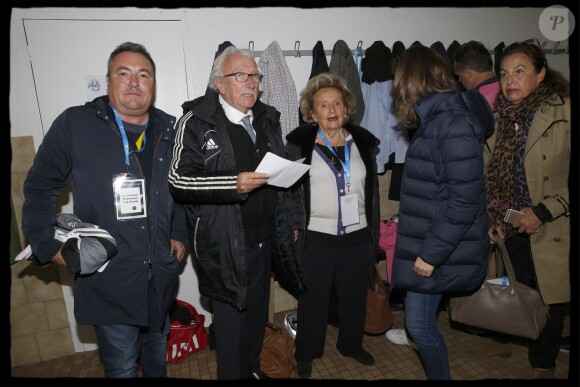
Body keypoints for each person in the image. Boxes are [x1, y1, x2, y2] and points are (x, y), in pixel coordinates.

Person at [21, 42, 188, 378]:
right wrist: (46, 246)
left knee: (157, 357)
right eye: (123, 73)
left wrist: (179, 233)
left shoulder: (171, 129)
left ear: (153, 83)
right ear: (108, 81)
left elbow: (179, 188)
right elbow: (40, 186)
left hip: (159, 276)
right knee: (122, 366)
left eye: (144, 74)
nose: (134, 82)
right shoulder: (75, 124)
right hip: (109, 274)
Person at [167, 46, 304, 380]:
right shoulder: (196, 122)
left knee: (257, 317)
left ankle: (254, 369)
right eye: (240, 75)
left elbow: (282, 175)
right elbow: (178, 180)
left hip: (264, 242)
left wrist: (293, 221)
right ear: (219, 83)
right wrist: (233, 183)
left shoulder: (267, 118)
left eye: (255, 75)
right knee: (230, 328)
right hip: (223, 246)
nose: (251, 82)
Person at [390, 45, 494, 380]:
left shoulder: (452, 123)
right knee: (419, 324)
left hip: (438, 246)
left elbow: (464, 200)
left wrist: (431, 254)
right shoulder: (439, 118)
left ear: (412, 81)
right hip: (434, 239)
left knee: (419, 326)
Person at [285, 73, 380, 379]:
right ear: (312, 113)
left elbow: (372, 192)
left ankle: (351, 345)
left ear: (347, 107)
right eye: (323, 104)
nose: (331, 109)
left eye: (337, 102)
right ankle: (307, 352)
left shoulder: (362, 143)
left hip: (358, 234)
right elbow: (289, 193)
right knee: (313, 299)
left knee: (354, 295)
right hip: (317, 237)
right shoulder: (299, 146)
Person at [484, 41, 570, 379]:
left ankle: (544, 363)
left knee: (550, 297)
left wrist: (545, 211)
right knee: (520, 289)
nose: (510, 81)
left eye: (519, 72)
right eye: (504, 74)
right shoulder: (499, 116)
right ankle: (522, 336)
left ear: (541, 74)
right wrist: (493, 213)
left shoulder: (562, 112)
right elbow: (489, 170)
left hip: (552, 224)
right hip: (511, 222)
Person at [453, 40, 501, 110]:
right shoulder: (508, 89)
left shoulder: (473, 102)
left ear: (468, 74)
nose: (459, 80)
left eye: (458, 75)